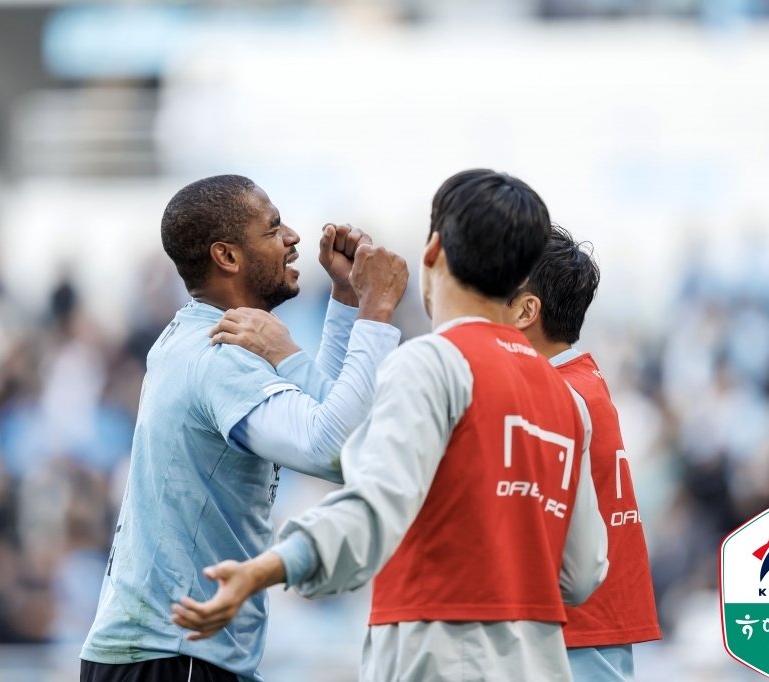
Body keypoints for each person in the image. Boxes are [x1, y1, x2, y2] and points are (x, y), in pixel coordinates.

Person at [172, 169, 609, 681]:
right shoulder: (564, 397)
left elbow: (372, 508)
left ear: (434, 252)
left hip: (439, 657)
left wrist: (263, 569)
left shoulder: (432, 364)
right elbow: (582, 574)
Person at [80, 174, 409, 682]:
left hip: (167, 653)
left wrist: (346, 301)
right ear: (227, 257)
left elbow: (328, 415)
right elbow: (338, 448)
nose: (294, 237)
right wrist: (378, 312)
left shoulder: (200, 336)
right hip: (173, 655)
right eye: (273, 228)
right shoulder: (218, 355)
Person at [504, 226, 661, 681]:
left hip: (575, 637)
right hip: (587, 632)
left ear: (525, 311)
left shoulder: (552, 396)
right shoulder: (578, 383)